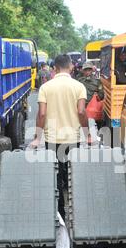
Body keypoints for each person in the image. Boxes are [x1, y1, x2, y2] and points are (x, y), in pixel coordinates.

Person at [30, 54, 88, 220]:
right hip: (73, 139)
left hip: (52, 140)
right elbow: (81, 112)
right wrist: (88, 135)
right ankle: (76, 215)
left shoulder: (46, 88)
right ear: (71, 67)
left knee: (56, 178)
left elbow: (41, 114)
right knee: (73, 175)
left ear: (54, 68)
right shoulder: (79, 86)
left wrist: (37, 138)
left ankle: (60, 214)